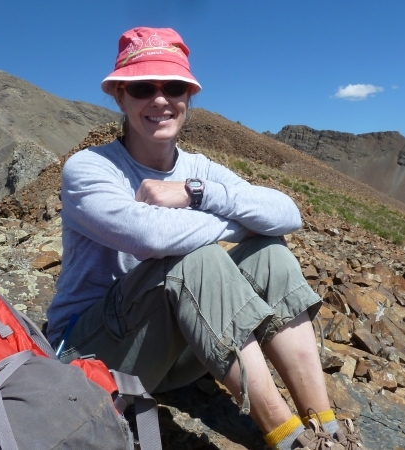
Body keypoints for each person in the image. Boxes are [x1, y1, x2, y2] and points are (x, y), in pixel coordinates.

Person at [46, 27, 363, 450]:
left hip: (176, 355)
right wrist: (240, 225)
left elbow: (287, 215)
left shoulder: (198, 170)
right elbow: (151, 237)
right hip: (93, 357)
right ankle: (290, 440)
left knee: (269, 254)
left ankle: (327, 429)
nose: (160, 99)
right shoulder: (89, 168)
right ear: (120, 96)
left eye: (174, 86)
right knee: (194, 259)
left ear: (188, 98)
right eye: (142, 87)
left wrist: (198, 194)